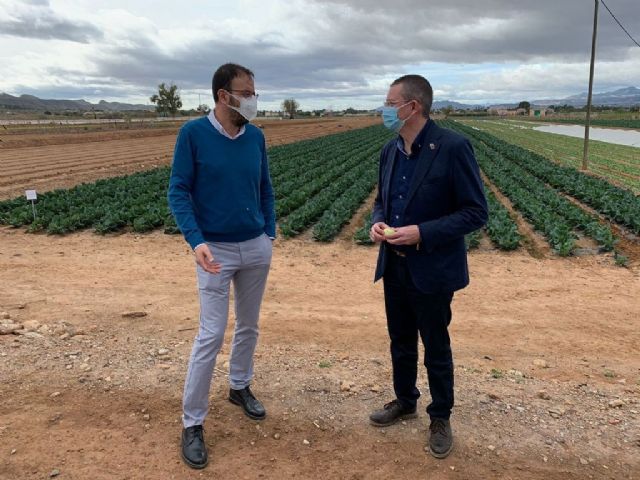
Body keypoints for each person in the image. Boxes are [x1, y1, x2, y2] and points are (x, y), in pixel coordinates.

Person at [368, 74, 488, 459]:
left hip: (433, 267)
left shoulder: (452, 147)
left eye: (390, 103)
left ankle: (440, 416)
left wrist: (422, 232)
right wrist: (379, 220)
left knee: (435, 345)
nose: (385, 110)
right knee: (400, 341)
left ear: (412, 107)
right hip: (395, 265)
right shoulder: (390, 150)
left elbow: (474, 212)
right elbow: (381, 200)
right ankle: (405, 400)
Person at [168, 63, 276, 469]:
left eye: (254, 92)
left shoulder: (256, 137)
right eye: (245, 92)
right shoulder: (193, 134)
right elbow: (178, 190)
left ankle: (239, 386)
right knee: (211, 334)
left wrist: (269, 234)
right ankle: (192, 423)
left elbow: (266, 187)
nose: (252, 99)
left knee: (249, 325)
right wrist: (196, 242)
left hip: (255, 246)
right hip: (215, 251)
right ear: (222, 96)